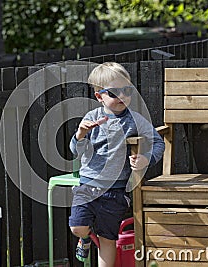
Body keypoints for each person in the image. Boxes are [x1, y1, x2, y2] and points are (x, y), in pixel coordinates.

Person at [68, 62, 165, 266]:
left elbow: (158, 142)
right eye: (114, 92)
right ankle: (85, 238)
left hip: (115, 191)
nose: (122, 96)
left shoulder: (135, 120)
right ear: (99, 96)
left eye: (126, 90)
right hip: (87, 186)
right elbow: (75, 152)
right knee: (77, 227)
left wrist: (146, 159)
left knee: (108, 239)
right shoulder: (91, 119)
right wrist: (80, 135)